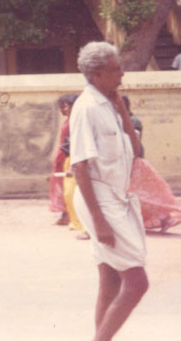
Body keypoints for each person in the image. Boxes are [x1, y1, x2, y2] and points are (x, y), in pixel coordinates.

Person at [70, 42, 148, 341]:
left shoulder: (108, 105)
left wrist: (121, 109)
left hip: (117, 198)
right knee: (137, 282)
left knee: (110, 278)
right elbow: (79, 167)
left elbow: (137, 150)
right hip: (99, 201)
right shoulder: (86, 108)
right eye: (116, 69)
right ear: (98, 73)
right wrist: (99, 220)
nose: (122, 75)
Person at [121, 96, 181, 233]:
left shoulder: (132, 121)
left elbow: (133, 143)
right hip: (126, 162)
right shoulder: (122, 120)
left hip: (134, 162)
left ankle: (164, 217)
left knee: (140, 194)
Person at [49, 94, 76, 226]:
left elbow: (68, 141)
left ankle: (68, 215)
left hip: (67, 156)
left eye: (64, 107)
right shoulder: (68, 120)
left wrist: (61, 155)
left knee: (67, 186)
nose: (62, 110)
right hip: (64, 155)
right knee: (64, 186)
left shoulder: (74, 121)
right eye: (60, 108)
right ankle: (66, 213)